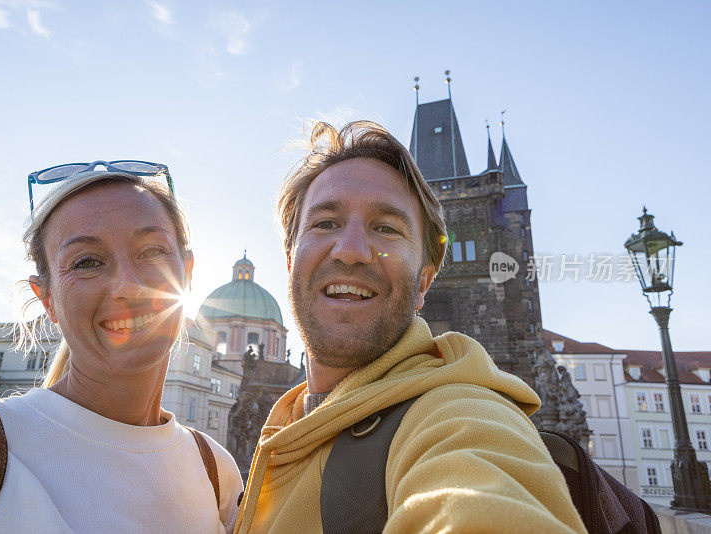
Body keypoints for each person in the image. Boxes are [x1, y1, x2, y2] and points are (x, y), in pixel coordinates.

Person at [233, 122, 587, 533]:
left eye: (387, 228)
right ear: (291, 260)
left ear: (423, 282)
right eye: (325, 223)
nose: (350, 251)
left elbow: (477, 483)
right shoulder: (285, 419)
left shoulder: (458, 416)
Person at [0, 164, 243, 533]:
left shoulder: (217, 473)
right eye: (87, 262)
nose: (128, 286)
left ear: (188, 274)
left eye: (151, 251)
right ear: (47, 299)